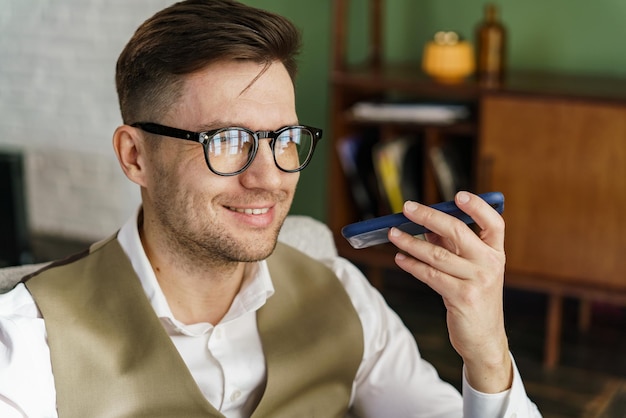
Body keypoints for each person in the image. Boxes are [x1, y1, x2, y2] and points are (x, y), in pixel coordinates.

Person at [0, 0, 541, 416]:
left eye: (284, 138)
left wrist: (488, 353)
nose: (269, 177)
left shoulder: (341, 293)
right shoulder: (26, 345)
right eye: (227, 141)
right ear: (135, 155)